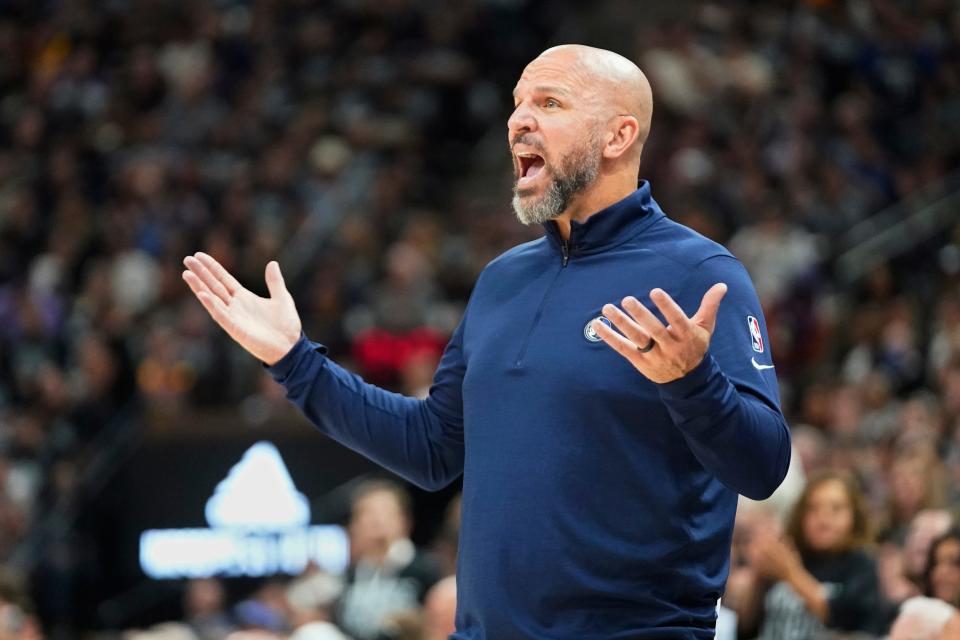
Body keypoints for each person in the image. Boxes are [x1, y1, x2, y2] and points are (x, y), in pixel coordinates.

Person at [182, 44, 791, 638]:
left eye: (549, 103)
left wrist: (692, 381)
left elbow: (763, 467)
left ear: (617, 137)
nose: (518, 119)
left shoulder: (698, 274)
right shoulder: (503, 280)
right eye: (517, 102)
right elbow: (432, 448)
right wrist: (294, 362)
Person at [749, 472, 881, 639]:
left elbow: (843, 617)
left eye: (836, 509)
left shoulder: (861, 564)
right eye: (813, 509)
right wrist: (757, 575)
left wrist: (791, 574)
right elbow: (746, 626)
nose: (823, 519)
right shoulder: (788, 554)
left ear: (854, 516)